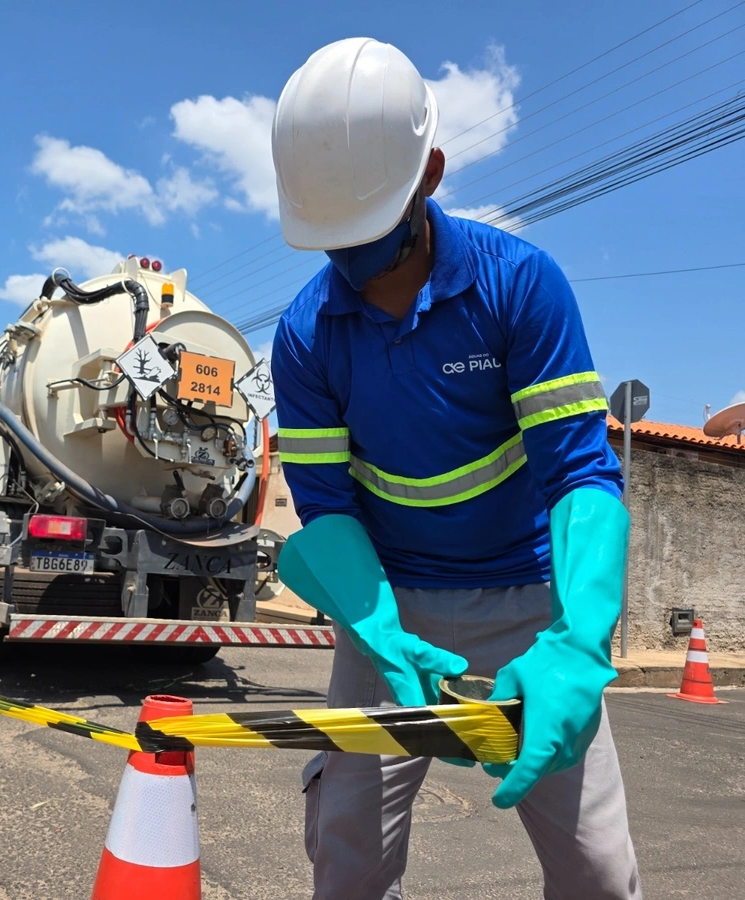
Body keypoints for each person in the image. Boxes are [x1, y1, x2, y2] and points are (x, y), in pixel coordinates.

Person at [270, 38, 641, 899]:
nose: (351, 262)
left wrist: (578, 642)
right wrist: (378, 631)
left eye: (369, 232)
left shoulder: (520, 286)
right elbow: (327, 507)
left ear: (430, 175)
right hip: (389, 610)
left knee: (597, 871)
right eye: (332, 240)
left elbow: (581, 474)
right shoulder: (305, 336)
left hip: (530, 604)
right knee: (347, 859)